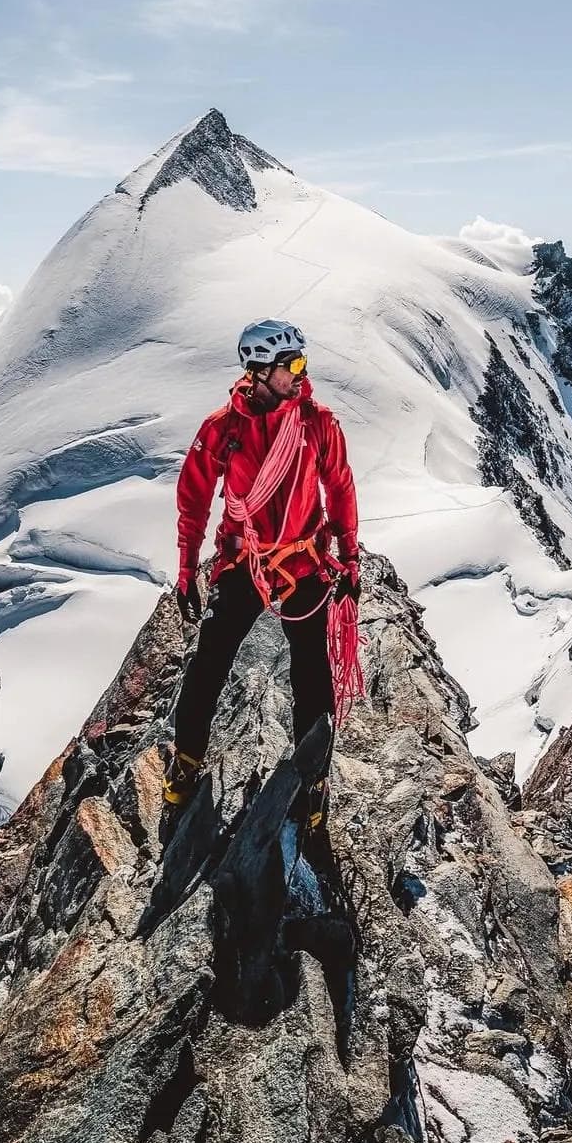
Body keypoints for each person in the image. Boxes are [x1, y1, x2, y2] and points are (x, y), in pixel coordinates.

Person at [165, 318, 361, 826]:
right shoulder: (223, 429)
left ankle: (312, 778)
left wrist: (350, 554)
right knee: (210, 661)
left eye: (301, 362)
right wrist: (187, 569)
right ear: (260, 371)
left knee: (312, 671)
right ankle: (185, 760)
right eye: (291, 364)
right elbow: (193, 500)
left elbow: (340, 488)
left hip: (303, 559)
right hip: (245, 561)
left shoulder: (317, 422)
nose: (301, 372)